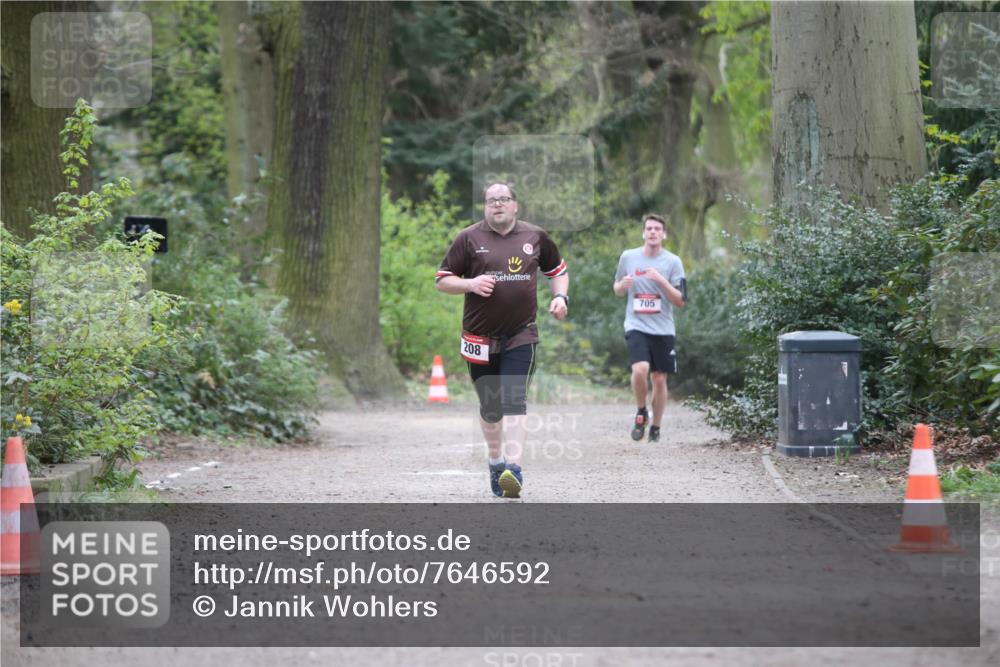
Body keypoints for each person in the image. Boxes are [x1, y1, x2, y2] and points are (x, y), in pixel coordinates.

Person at [436, 182, 569, 498]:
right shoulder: (468, 239)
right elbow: (442, 281)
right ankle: (496, 462)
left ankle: (514, 468)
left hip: (521, 333)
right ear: (485, 206)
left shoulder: (535, 236)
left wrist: (561, 297)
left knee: (514, 399)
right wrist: (470, 284)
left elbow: (558, 270)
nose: (497, 204)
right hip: (478, 338)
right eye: (491, 200)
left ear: (515, 205)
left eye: (503, 199)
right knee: (491, 407)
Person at [613, 214, 685, 443]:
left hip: (663, 328)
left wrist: (661, 281)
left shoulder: (673, 262)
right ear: (644, 233)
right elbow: (617, 288)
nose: (653, 232)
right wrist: (622, 286)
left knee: (660, 379)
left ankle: (656, 426)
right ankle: (641, 410)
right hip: (636, 324)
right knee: (640, 369)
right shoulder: (628, 257)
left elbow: (680, 300)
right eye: (649, 228)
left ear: (663, 234)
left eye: (657, 229)